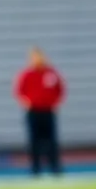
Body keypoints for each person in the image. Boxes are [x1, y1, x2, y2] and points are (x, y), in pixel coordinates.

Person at [14, 47, 65, 176]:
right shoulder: (27, 74)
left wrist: (55, 103)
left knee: (51, 141)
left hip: (48, 111)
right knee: (34, 142)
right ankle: (36, 169)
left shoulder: (51, 73)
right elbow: (19, 92)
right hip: (33, 112)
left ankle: (54, 168)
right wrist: (27, 102)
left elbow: (60, 90)